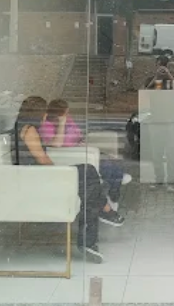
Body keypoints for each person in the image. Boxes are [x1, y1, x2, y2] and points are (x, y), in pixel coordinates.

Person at [13, 96, 123, 263]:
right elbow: (42, 159)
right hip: (37, 180)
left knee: (88, 172)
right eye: (43, 112)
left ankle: (101, 215)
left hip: (37, 177)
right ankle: (97, 224)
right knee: (88, 177)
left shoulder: (25, 128)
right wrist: (60, 172)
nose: (45, 116)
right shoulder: (29, 131)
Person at [40, 99, 132, 212]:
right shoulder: (47, 126)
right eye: (65, 113)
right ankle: (113, 195)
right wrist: (61, 124)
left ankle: (117, 177)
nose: (68, 115)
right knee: (108, 166)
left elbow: (78, 133)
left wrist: (82, 141)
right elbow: (57, 144)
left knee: (111, 161)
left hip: (79, 148)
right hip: (71, 155)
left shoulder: (67, 119)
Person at [143, 56, 174, 192]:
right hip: (156, 121)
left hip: (172, 122)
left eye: (165, 66)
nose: (162, 69)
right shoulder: (151, 79)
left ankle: (171, 182)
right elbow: (145, 93)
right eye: (160, 66)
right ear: (156, 66)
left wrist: (169, 76)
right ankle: (158, 179)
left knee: (172, 154)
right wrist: (156, 78)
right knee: (156, 154)